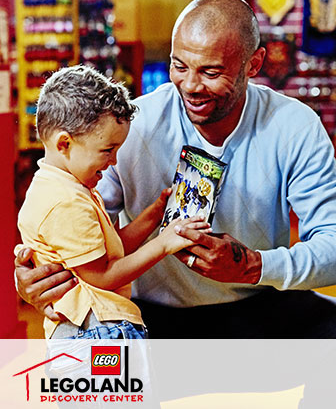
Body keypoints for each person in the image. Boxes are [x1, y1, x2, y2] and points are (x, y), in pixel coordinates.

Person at [15, 0, 336, 340]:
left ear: (253, 63)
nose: (190, 85)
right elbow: (75, 224)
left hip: (258, 307)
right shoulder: (127, 127)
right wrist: (34, 277)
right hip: (148, 317)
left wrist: (254, 266)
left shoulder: (292, 124)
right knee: (90, 374)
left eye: (211, 72)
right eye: (179, 66)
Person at [20, 65, 207, 340]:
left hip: (99, 326)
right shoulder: (64, 202)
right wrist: (164, 243)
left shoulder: (68, 187)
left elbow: (110, 254)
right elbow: (104, 275)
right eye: (107, 150)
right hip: (96, 329)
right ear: (64, 144)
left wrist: (154, 214)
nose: (114, 162)